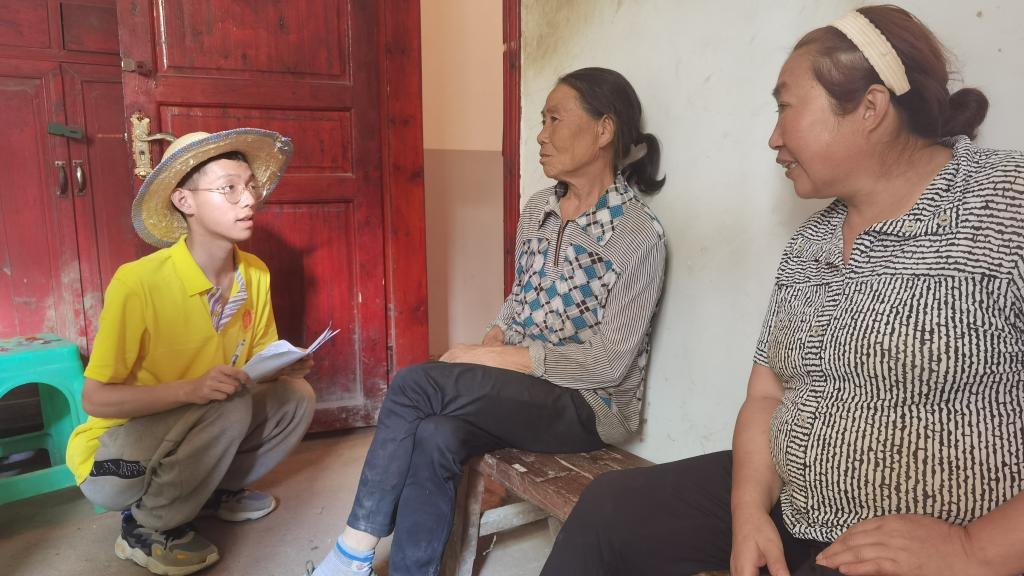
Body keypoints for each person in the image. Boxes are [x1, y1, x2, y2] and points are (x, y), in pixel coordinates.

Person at [541, 6, 1024, 576]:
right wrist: (748, 514)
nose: (773, 138)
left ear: (870, 108)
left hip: (913, 546)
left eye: (786, 108)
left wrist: (972, 550)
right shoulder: (811, 242)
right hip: (793, 505)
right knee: (610, 510)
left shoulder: (1003, 202)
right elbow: (768, 393)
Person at [310, 67, 667, 576]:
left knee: (415, 384)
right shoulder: (539, 210)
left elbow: (608, 365)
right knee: (435, 435)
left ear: (604, 129)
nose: (540, 134)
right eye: (541, 120)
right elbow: (520, 295)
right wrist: (498, 331)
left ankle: (351, 554)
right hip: (523, 389)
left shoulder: (638, 235)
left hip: (588, 406)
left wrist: (493, 357)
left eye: (554, 119)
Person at [66, 128, 316, 575]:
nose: (249, 200)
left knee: (296, 396)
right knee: (226, 401)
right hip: (115, 459)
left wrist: (284, 366)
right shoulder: (139, 282)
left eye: (250, 186)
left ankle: (208, 492)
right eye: (229, 189)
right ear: (184, 201)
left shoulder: (254, 273)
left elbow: (258, 359)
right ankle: (147, 526)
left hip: (205, 419)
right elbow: (96, 399)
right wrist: (192, 389)